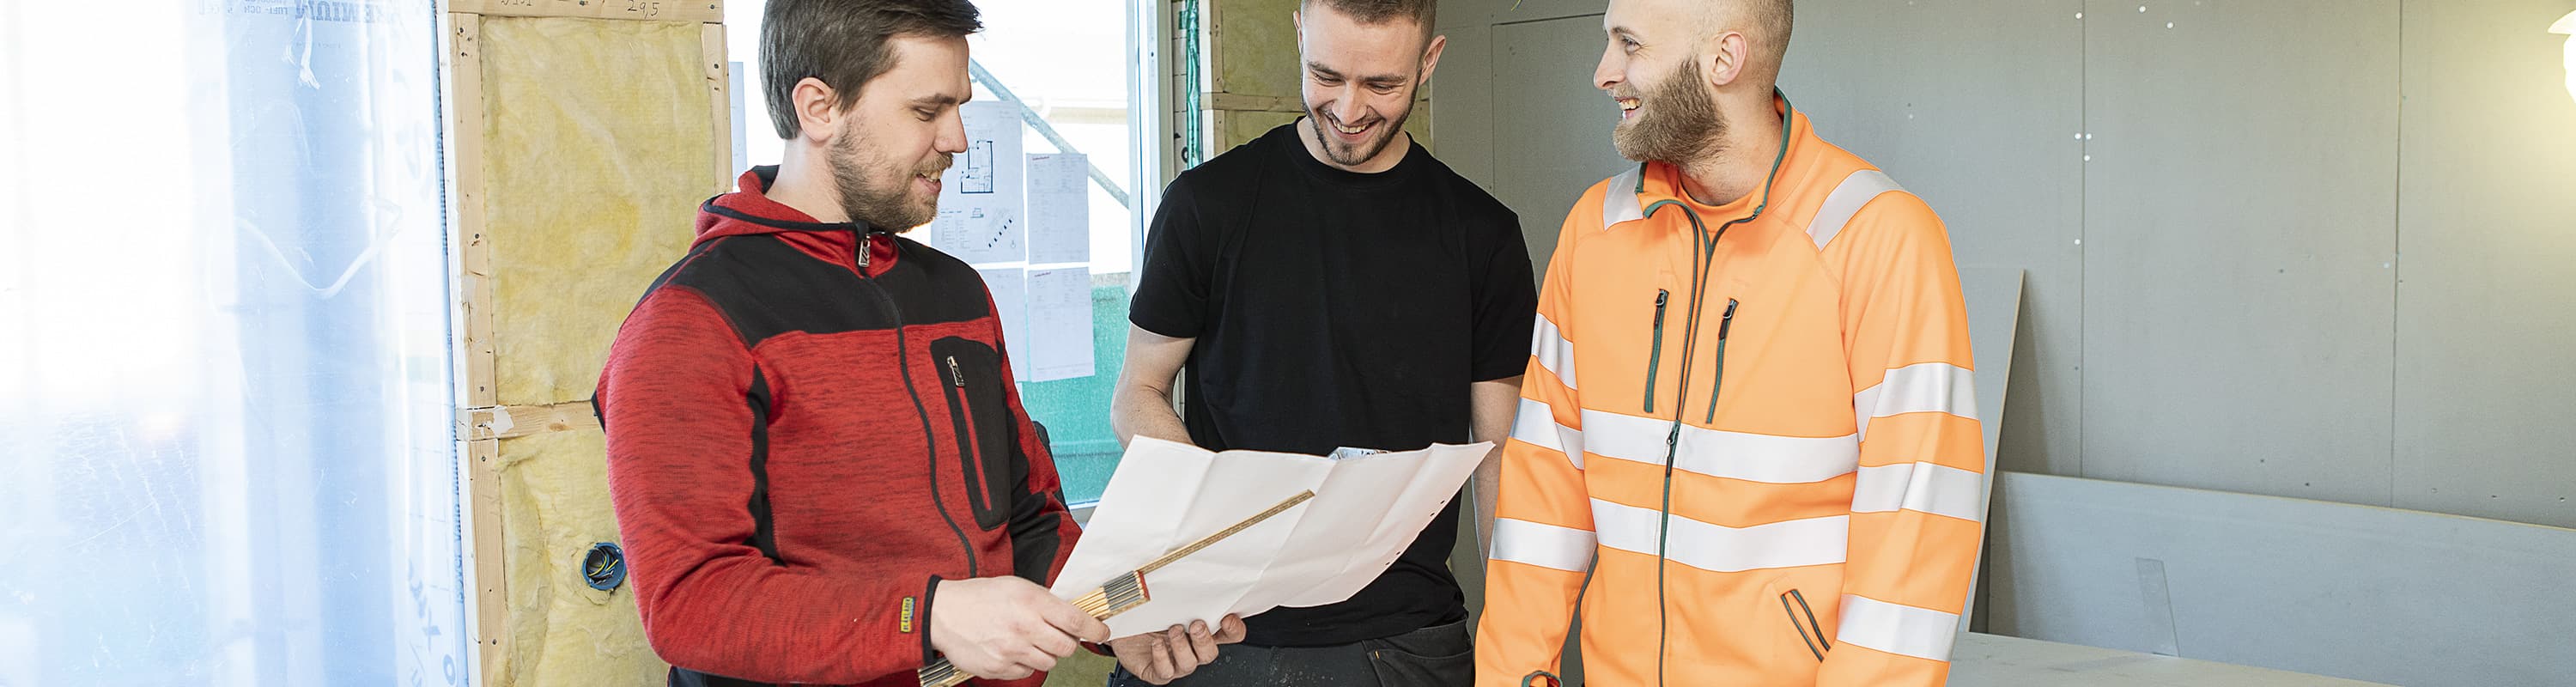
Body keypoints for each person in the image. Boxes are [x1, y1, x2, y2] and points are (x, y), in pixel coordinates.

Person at [594, 1, 1158, 684]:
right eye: (927, 111)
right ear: (819, 109)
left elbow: (1030, 518)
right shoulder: (693, 321)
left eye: (960, 107)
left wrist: (1126, 617)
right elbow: (691, 602)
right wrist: (928, 620)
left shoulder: (956, 294)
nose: (957, 140)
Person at [1472, 0, 1984, 685]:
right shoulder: (1594, 233)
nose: (1603, 72)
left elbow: (1915, 539)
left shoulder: (1880, 241)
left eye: (1630, 44)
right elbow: (1540, 500)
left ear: (1724, 58)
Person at [1107, 0, 1538, 684]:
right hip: (1217, 631)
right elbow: (1136, 394)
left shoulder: (1482, 235)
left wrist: (1522, 641)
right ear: (1300, 33)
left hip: (1401, 641)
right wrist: (1218, 504)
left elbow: (1500, 460)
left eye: (1382, 85)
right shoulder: (1205, 205)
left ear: (1430, 60)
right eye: (1326, 75)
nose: (1347, 108)